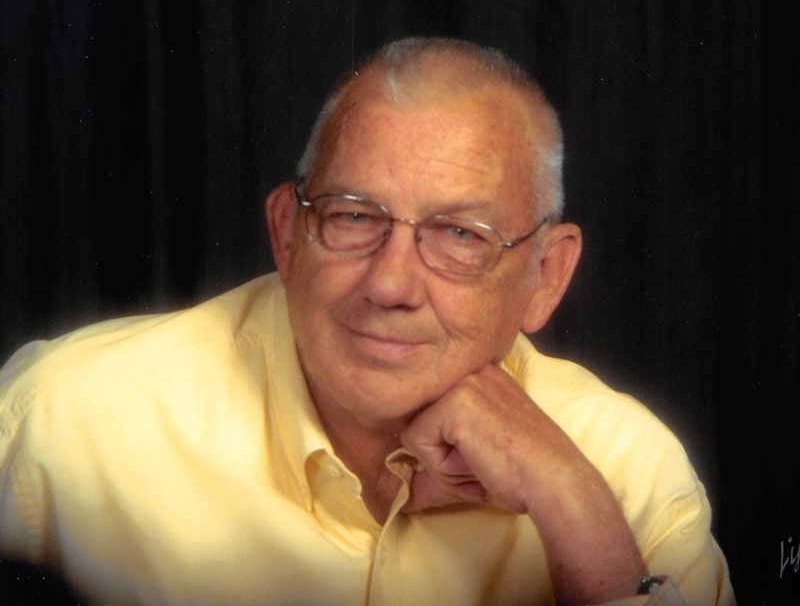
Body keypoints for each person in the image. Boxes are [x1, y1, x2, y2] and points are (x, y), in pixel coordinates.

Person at [0, 37, 733, 605]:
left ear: (546, 276)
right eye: (353, 217)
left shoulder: (625, 468)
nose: (389, 284)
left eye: (460, 235)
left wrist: (580, 516)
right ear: (287, 235)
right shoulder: (57, 424)